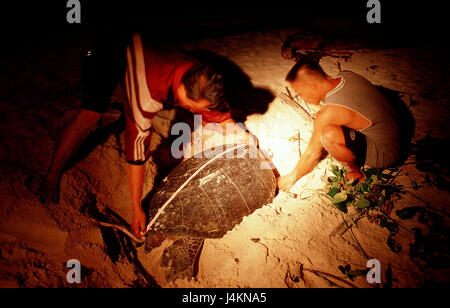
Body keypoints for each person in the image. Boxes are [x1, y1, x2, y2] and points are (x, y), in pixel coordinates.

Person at [31, 32, 236, 237]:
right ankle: (51, 176)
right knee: (92, 113)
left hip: (150, 48)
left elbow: (219, 115)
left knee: (195, 110)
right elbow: (137, 153)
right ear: (181, 88)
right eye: (189, 106)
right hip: (108, 49)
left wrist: (244, 140)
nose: (192, 111)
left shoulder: (200, 75)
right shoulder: (146, 96)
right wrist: (136, 208)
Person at [278, 59, 400, 192]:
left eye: (300, 92)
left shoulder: (328, 113)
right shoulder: (347, 75)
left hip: (386, 152)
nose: (300, 97)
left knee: (328, 136)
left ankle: (355, 174)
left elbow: (312, 154)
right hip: (396, 130)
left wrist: (291, 177)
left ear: (313, 85)